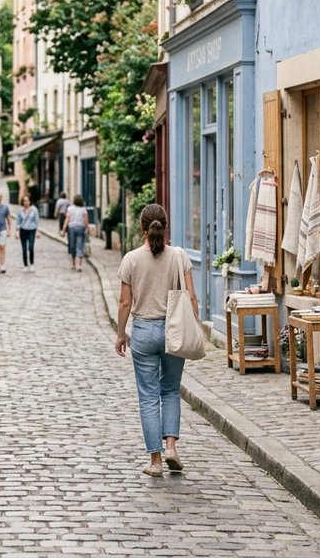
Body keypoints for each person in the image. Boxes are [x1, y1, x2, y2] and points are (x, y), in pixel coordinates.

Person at [115, 204, 197, 477]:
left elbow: (125, 302)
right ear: (165, 225)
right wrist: (194, 326)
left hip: (144, 331)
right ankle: (171, 446)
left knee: (149, 396)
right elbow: (191, 297)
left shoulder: (131, 259)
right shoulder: (180, 256)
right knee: (171, 390)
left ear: (142, 228)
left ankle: (156, 461)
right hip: (174, 329)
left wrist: (121, 333)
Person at [60, 194, 90, 271]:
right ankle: (79, 265)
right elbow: (86, 221)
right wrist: (88, 228)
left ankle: (73, 264)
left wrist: (63, 229)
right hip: (80, 228)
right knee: (80, 245)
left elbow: (67, 219)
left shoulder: (70, 209)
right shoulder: (83, 209)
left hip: (72, 228)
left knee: (72, 245)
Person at [15, 194, 40, 271]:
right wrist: (17, 231)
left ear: (30, 201)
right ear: (22, 202)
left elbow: (37, 221)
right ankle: (25, 265)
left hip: (32, 230)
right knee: (24, 248)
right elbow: (18, 222)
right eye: (24, 201)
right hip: (23, 230)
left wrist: (37, 231)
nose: (26, 202)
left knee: (31, 247)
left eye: (27, 200)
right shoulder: (20, 210)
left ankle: (32, 264)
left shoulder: (34, 209)